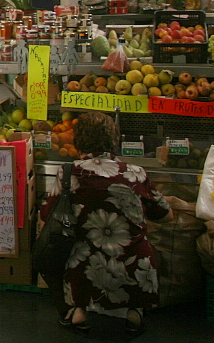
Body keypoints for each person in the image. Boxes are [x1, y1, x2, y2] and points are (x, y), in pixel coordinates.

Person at [40, 111, 172, 336]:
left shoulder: (69, 172)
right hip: (135, 267)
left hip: (85, 267)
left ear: (78, 139)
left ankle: (79, 310)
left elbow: (46, 215)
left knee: (78, 253)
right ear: (114, 138)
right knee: (144, 251)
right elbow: (165, 215)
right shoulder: (135, 173)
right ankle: (134, 312)